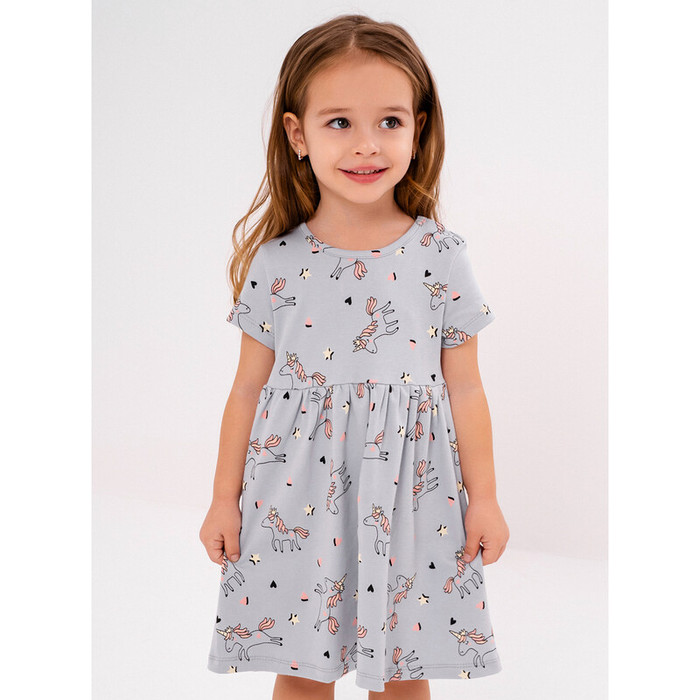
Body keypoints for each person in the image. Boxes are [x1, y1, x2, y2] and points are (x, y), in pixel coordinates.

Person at [199, 13, 510, 699]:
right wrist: (224, 500)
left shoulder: (440, 256)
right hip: (296, 497)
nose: (367, 144)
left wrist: (484, 499)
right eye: (339, 122)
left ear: (417, 130)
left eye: (389, 121)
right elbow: (246, 390)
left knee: (402, 667)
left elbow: (466, 388)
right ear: (297, 134)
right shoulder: (278, 264)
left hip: (414, 497)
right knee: (302, 668)